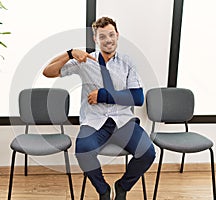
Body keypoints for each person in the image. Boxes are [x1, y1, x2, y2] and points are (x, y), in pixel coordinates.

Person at [43, 16, 155, 200]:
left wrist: (103, 96)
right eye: (102, 36)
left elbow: (137, 98)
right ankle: (103, 190)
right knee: (82, 151)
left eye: (111, 35)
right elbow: (48, 71)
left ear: (117, 35)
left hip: (123, 120)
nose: (108, 40)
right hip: (95, 120)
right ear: (96, 39)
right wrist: (70, 53)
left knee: (147, 153)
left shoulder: (128, 62)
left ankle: (122, 186)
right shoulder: (85, 61)